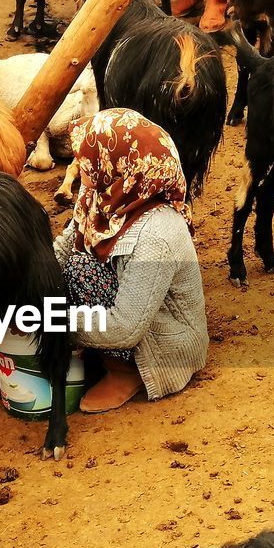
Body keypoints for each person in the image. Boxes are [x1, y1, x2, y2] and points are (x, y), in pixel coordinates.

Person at [55, 109, 209, 413]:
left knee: (79, 271)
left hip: (164, 346)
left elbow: (126, 327)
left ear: (120, 167)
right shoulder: (103, 194)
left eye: (89, 160)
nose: (80, 168)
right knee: (71, 267)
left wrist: (50, 323)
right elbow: (64, 247)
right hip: (129, 313)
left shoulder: (157, 234)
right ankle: (100, 355)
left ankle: (126, 373)